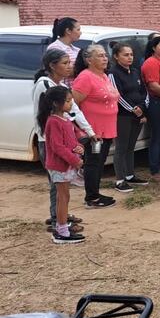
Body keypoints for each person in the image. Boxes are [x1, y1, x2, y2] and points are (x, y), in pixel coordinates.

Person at [33, 49, 92, 233]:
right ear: (52, 65)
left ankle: (61, 216)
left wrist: (86, 132)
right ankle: (57, 220)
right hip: (48, 142)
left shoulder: (59, 86)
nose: (70, 67)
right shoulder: (45, 86)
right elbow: (45, 117)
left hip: (62, 142)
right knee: (57, 186)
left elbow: (73, 110)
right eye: (65, 63)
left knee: (62, 188)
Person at [71, 45, 119, 208]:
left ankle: (96, 193)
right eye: (100, 56)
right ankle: (91, 197)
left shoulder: (103, 76)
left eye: (105, 55)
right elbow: (73, 106)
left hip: (106, 130)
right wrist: (80, 130)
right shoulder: (85, 77)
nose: (105, 58)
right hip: (93, 132)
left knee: (100, 162)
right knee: (93, 162)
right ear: (88, 60)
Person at [38, 87, 86, 244]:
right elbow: (57, 146)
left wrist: (78, 147)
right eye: (67, 101)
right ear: (55, 103)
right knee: (62, 197)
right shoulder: (53, 121)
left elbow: (69, 140)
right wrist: (75, 160)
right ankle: (62, 230)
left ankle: (62, 227)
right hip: (59, 165)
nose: (71, 103)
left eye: (71, 100)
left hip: (65, 165)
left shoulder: (64, 118)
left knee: (64, 196)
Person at [108, 42, 148, 193]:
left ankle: (130, 175)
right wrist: (132, 109)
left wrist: (143, 108)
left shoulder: (135, 71)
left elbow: (144, 91)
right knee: (121, 147)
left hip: (138, 114)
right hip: (123, 116)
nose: (129, 57)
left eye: (131, 54)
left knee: (131, 146)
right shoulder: (113, 73)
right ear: (116, 57)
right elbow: (116, 95)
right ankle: (120, 180)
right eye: (125, 54)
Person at [142, 36, 160, 181]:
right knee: (157, 137)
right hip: (157, 102)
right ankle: (154, 171)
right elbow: (153, 85)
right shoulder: (151, 63)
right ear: (154, 47)